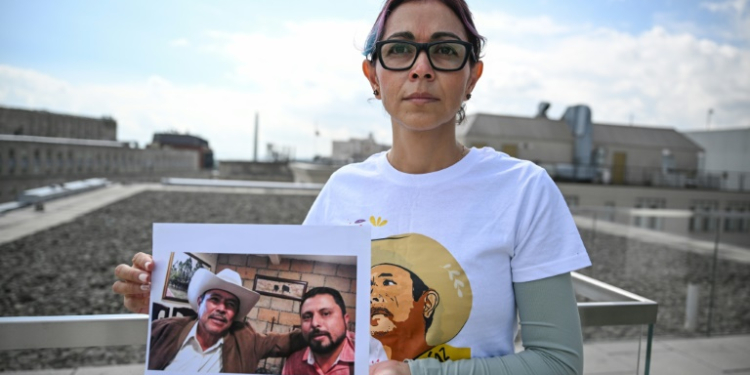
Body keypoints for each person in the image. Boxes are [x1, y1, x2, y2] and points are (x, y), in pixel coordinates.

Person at [115, 1, 592, 374]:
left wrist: (416, 374)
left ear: (473, 76)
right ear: (373, 75)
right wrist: (156, 298)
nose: (421, 68)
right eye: (400, 49)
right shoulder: (343, 189)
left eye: (445, 50)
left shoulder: (523, 190)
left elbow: (557, 362)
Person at [148, 268, 306, 373]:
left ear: (235, 314)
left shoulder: (248, 342)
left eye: (230, 304)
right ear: (199, 301)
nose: (221, 308)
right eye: (215, 299)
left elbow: (289, 341)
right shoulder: (162, 330)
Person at [282, 287, 355, 375]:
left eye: (326, 313)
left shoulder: (368, 358)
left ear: (345, 319)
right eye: (307, 317)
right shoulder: (293, 363)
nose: (315, 323)